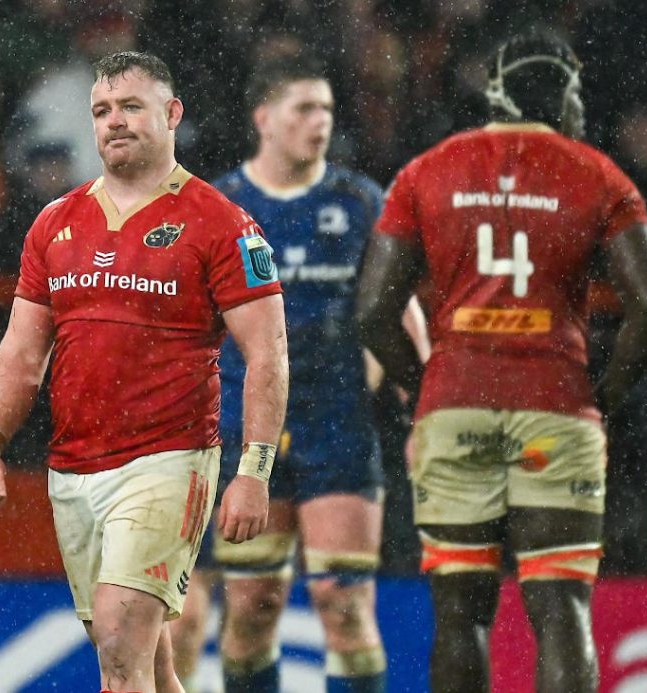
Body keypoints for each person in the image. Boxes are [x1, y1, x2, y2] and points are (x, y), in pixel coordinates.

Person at [355, 30, 647, 693]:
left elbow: (373, 312)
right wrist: (602, 393)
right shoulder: (599, 173)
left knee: (461, 611)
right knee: (560, 605)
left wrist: (423, 386)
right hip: (556, 404)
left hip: (456, 403)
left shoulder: (428, 169)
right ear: (566, 96)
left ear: (494, 93)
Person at [0, 51, 289, 693]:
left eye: (131, 107)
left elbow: (268, 355)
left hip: (168, 459)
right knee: (145, 663)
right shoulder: (53, 225)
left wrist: (253, 473)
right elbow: (21, 354)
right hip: (74, 465)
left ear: (172, 114)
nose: (114, 121)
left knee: (119, 646)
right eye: (102, 111)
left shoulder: (223, 224)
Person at [171, 54, 428, 693]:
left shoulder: (360, 202)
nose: (320, 122)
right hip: (241, 427)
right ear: (264, 117)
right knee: (253, 610)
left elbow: (400, 308)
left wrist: (423, 405)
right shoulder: (218, 207)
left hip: (337, 423)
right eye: (305, 109)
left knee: (345, 606)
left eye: (328, 110)